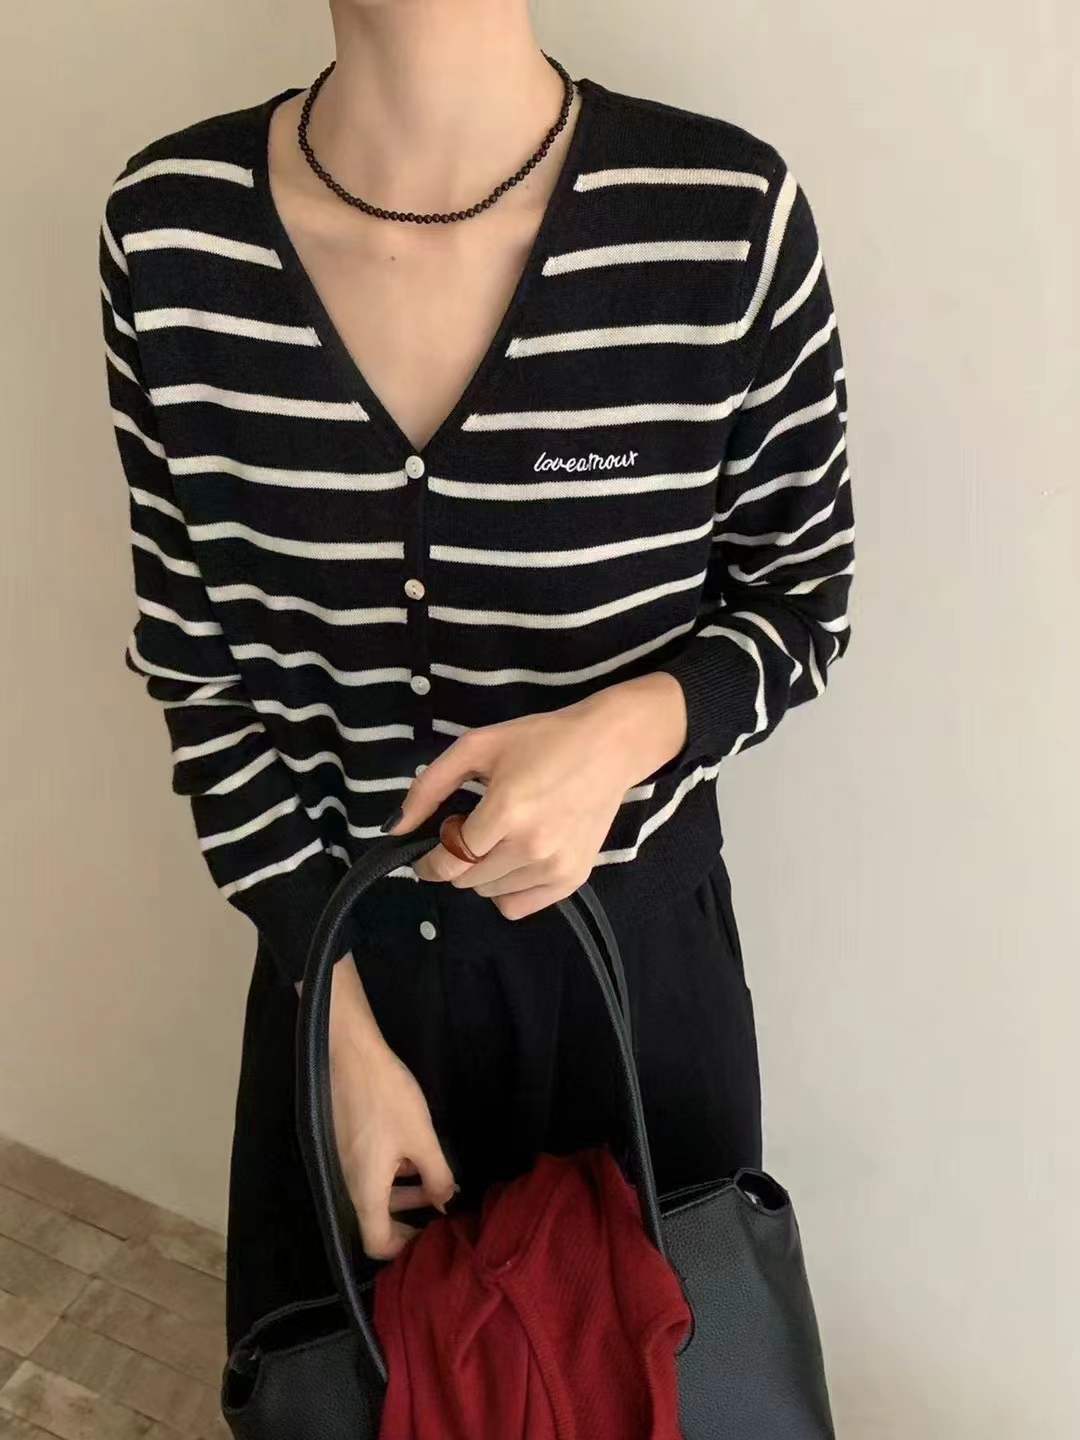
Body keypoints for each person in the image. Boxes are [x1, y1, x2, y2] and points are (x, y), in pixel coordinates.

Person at [97, 0, 855, 1356]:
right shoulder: (170, 237)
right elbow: (196, 669)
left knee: (655, 1397)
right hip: (334, 972)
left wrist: (623, 734)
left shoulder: (724, 221)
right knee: (346, 1398)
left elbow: (801, 598)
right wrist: (334, 1037)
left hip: (635, 996)